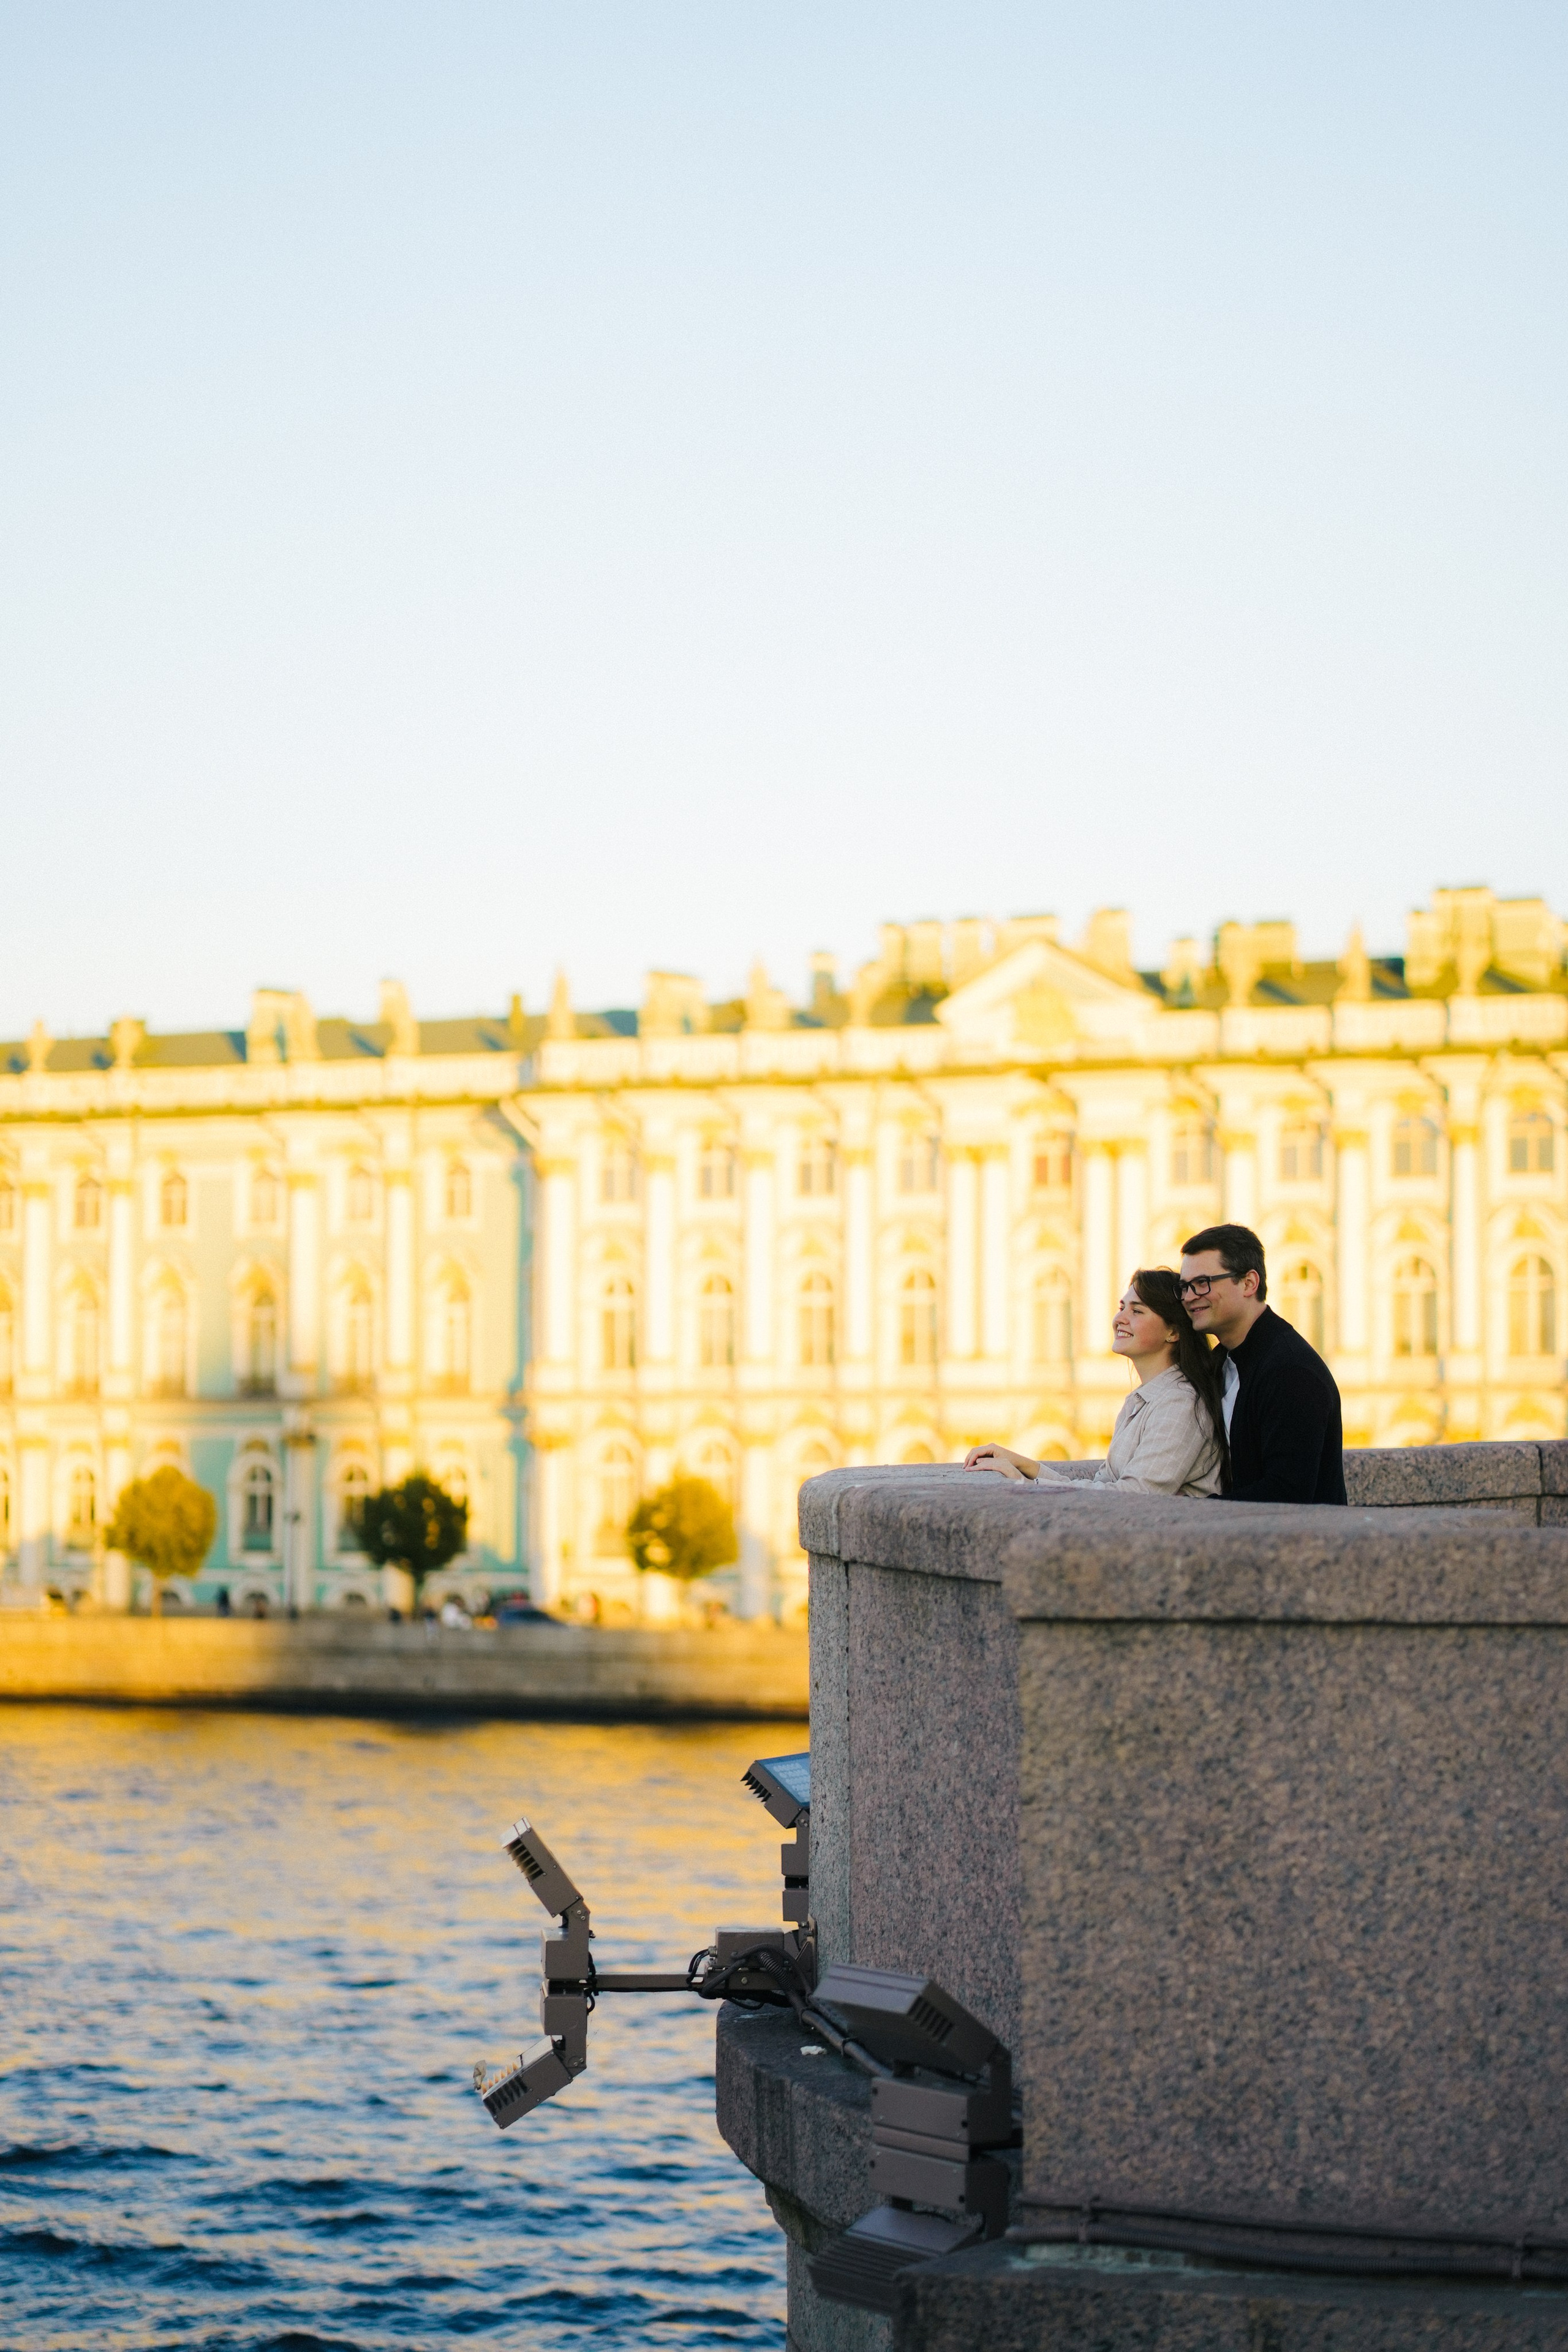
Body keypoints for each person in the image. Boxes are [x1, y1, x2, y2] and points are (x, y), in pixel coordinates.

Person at [963, 1267, 1228, 1496]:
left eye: (1137, 1311)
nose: (1120, 1319)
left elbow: (1134, 1497)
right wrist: (1026, 1466)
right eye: (1122, 1307)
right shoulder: (1145, 1399)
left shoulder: (1180, 1403)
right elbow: (1101, 1487)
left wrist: (1021, 1484)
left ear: (1173, 1332)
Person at [1179, 1223, 1345, 1504]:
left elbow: (1288, 1493)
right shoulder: (1224, 1360)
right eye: (1184, 1287)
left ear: (1249, 1283)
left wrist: (1195, 1509)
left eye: (1203, 1283)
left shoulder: (1291, 1371)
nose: (1189, 1296)